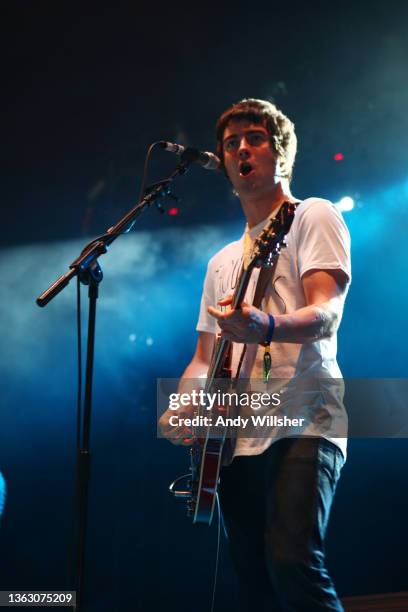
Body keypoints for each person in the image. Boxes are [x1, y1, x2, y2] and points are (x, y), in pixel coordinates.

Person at [160, 98, 351, 611]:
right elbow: (202, 360)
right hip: (236, 438)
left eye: (255, 138)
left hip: (306, 418)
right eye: (231, 143)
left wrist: (263, 324)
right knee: (255, 585)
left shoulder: (313, 215)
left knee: (292, 561)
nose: (242, 148)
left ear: (281, 151)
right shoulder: (221, 261)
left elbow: (326, 315)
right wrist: (185, 406)